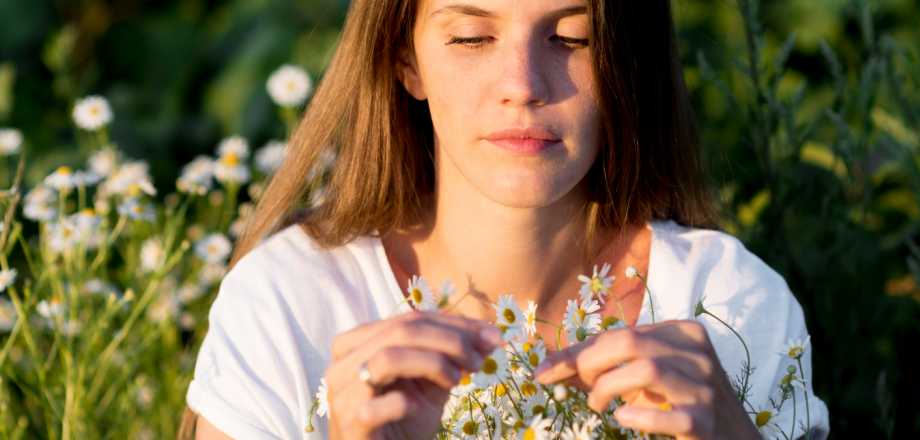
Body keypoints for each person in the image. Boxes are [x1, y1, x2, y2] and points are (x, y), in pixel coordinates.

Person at [178, 0, 830, 439]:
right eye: (471, 37)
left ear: (628, 62)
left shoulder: (723, 301)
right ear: (406, 60)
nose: (523, 84)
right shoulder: (290, 303)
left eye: (572, 38)